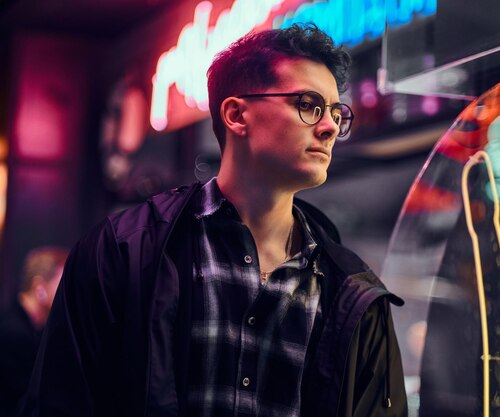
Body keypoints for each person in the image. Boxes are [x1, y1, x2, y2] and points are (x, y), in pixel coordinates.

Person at [21, 23, 407, 417]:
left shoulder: (351, 288)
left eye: (335, 112)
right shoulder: (124, 252)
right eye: (308, 105)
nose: (328, 128)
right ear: (237, 115)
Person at [0, 247, 68, 417]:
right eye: (63, 284)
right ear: (40, 288)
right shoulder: (12, 333)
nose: (68, 293)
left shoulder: (33, 328)